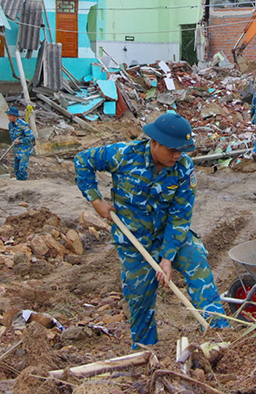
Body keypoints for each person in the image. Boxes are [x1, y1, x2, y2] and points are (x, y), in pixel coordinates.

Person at [73, 113, 229, 346]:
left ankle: (218, 331)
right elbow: (82, 161)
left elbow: (180, 216)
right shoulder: (123, 155)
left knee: (197, 260)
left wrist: (167, 257)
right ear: (154, 142)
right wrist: (96, 201)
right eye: (172, 150)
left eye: (182, 150)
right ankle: (147, 350)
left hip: (170, 235)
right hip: (134, 241)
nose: (177, 155)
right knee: (140, 299)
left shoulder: (183, 169)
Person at [6, 105, 35, 180]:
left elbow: (31, 137)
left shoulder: (23, 125)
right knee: (16, 167)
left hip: (25, 149)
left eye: (9, 116)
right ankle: (18, 181)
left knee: (22, 168)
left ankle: (24, 182)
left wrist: (20, 141)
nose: (8, 118)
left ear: (14, 116)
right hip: (17, 149)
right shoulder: (10, 125)